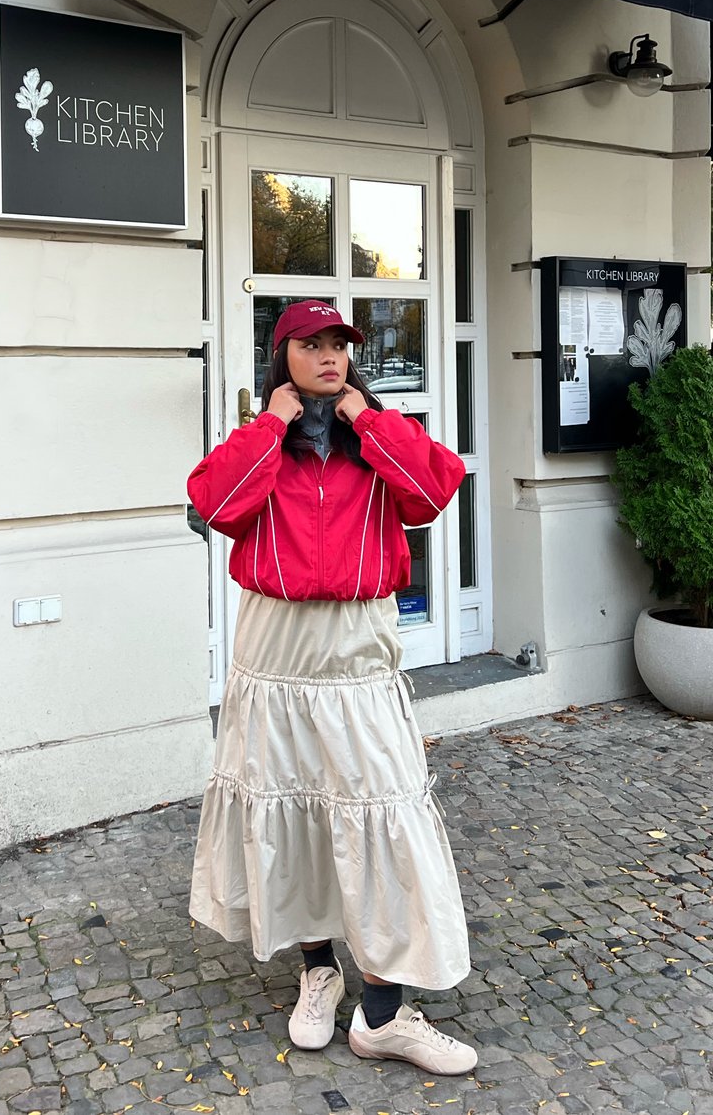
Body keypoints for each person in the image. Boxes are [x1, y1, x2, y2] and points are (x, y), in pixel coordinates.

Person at [187, 301, 477, 1075]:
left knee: (380, 805)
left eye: (338, 346)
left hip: (356, 648)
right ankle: (317, 969)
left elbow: (432, 491)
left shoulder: (375, 438)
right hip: (275, 650)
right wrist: (271, 424)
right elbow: (216, 504)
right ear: (281, 357)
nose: (328, 357)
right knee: (291, 805)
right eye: (310, 345)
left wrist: (366, 418)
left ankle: (382, 1013)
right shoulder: (264, 442)